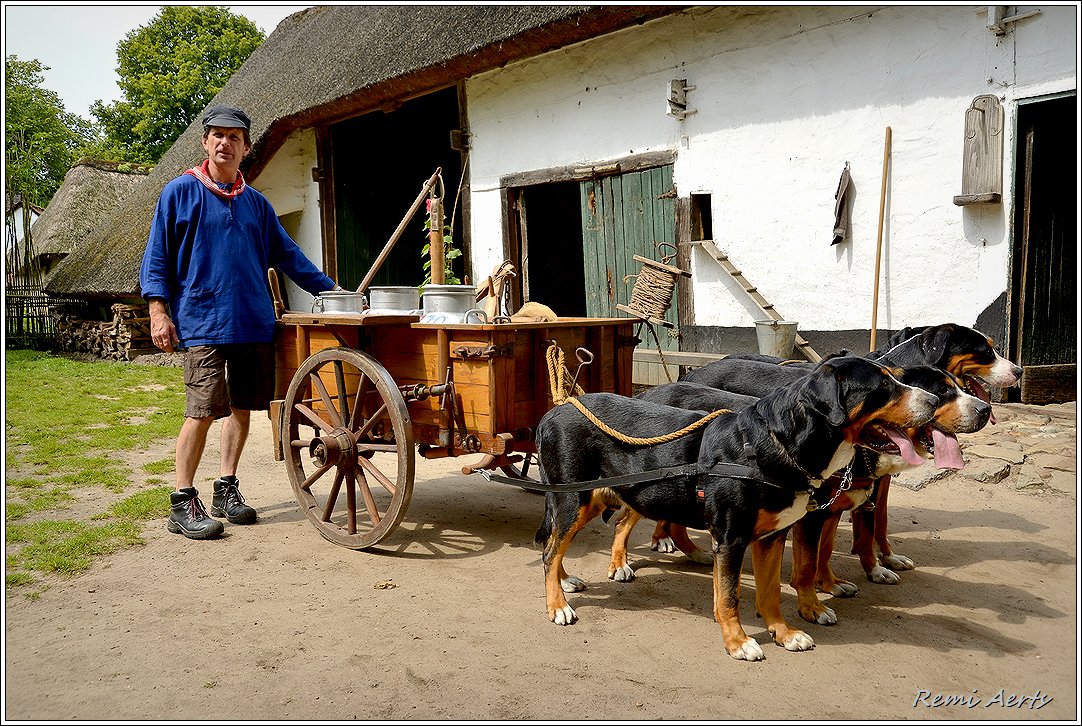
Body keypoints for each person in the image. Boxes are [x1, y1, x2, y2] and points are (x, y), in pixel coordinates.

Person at [140, 104, 341, 539]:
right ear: (204, 142)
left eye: (234, 137)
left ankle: (225, 488)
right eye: (217, 135)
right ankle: (181, 500)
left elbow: (289, 256)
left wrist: (332, 292)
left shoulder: (256, 204)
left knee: (242, 407)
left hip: (252, 321)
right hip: (204, 320)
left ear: (246, 147)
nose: (225, 143)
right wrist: (159, 312)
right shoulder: (179, 192)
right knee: (202, 410)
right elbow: (156, 258)